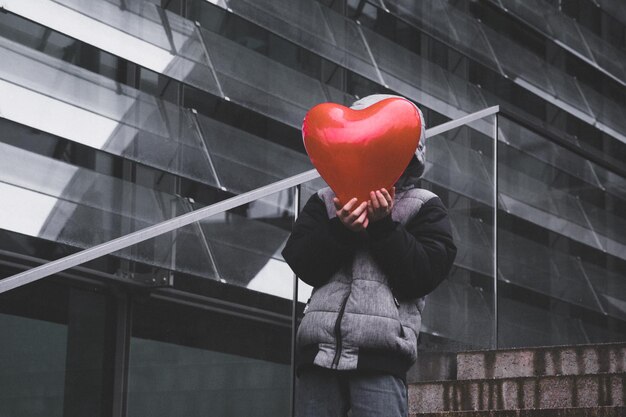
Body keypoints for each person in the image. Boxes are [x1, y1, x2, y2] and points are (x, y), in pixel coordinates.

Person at [282, 94, 457, 417]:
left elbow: (424, 274)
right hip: (318, 355)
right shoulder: (324, 201)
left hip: (381, 355)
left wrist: (383, 229)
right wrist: (341, 230)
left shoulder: (424, 205)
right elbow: (302, 261)